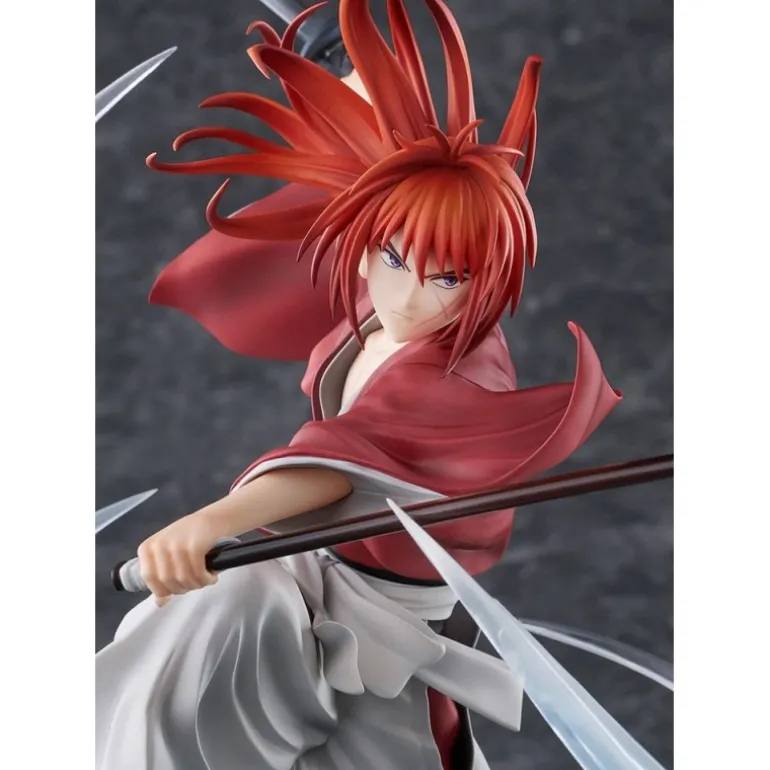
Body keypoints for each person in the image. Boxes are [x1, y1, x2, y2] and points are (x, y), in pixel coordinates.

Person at [95, 1, 622, 768]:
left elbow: (340, 461)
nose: (410, 295)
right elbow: (383, 165)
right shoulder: (383, 284)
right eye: (394, 258)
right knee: (160, 656)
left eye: (449, 277)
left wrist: (213, 521)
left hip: (377, 621)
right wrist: (345, 64)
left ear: (485, 277)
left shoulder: (456, 365)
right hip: (306, 581)